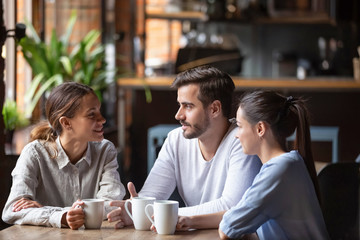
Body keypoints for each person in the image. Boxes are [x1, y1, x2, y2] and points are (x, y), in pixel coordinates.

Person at [107, 65, 262, 228]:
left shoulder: (241, 140)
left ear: (214, 109)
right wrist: (135, 210)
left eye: (188, 106)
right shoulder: (176, 140)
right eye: (179, 105)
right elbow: (151, 199)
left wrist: (168, 213)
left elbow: (232, 207)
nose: (178, 115)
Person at [176, 90, 329, 239]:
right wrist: (190, 220)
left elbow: (227, 229)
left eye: (240, 126)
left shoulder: (277, 171)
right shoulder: (289, 164)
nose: (236, 134)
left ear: (260, 129)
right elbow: (237, 214)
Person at [2, 82, 126, 229]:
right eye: (92, 114)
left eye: (99, 111)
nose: (102, 120)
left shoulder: (105, 150)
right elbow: (11, 211)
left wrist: (46, 212)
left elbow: (111, 203)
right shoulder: (34, 154)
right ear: (66, 123)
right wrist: (61, 216)